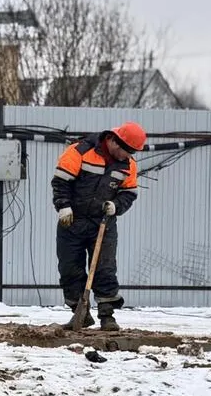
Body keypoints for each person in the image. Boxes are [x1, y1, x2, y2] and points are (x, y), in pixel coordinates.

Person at [50, 122, 146, 331]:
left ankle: (107, 316)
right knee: (70, 268)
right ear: (113, 141)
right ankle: (80, 314)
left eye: (132, 152)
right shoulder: (79, 152)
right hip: (72, 220)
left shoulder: (128, 165)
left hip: (103, 222)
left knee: (105, 268)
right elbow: (61, 182)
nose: (128, 156)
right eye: (126, 151)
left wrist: (116, 205)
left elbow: (129, 193)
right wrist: (63, 206)